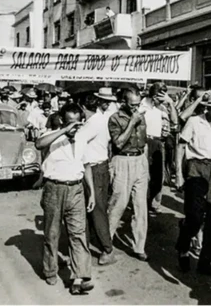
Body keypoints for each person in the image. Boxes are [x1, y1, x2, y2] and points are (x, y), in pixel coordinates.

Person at [35, 103, 95, 294]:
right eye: (71, 123)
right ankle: (50, 271)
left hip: (76, 189)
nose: (74, 128)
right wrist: (63, 131)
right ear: (62, 120)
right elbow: (38, 144)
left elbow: (86, 165)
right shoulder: (51, 136)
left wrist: (91, 191)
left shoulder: (83, 137)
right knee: (52, 234)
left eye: (78, 124)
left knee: (78, 233)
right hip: (54, 189)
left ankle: (80, 277)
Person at [175, 92, 211, 276]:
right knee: (195, 216)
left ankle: (205, 262)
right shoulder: (194, 121)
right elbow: (181, 146)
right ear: (208, 108)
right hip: (196, 168)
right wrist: (178, 174)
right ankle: (183, 248)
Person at [107, 88, 150, 261]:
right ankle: (106, 243)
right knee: (118, 204)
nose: (136, 108)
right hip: (122, 161)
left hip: (139, 160)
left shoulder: (141, 115)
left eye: (138, 104)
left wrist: (145, 167)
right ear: (123, 102)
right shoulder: (115, 119)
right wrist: (132, 122)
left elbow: (143, 141)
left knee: (141, 208)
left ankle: (139, 246)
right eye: (132, 105)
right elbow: (118, 143)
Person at [77, 88, 117, 266]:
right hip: (96, 167)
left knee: (97, 209)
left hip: (94, 168)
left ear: (83, 107)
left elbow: (77, 141)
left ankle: (107, 249)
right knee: (90, 207)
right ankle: (87, 244)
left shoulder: (93, 123)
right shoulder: (100, 119)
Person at [141, 82, 178, 213]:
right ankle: (142, 203)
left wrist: (170, 103)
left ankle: (153, 202)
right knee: (144, 175)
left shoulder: (162, 107)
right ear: (155, 95)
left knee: (158, 176)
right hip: (145, 141)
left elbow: (175, 121)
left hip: (158, 142)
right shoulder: (142, 105)